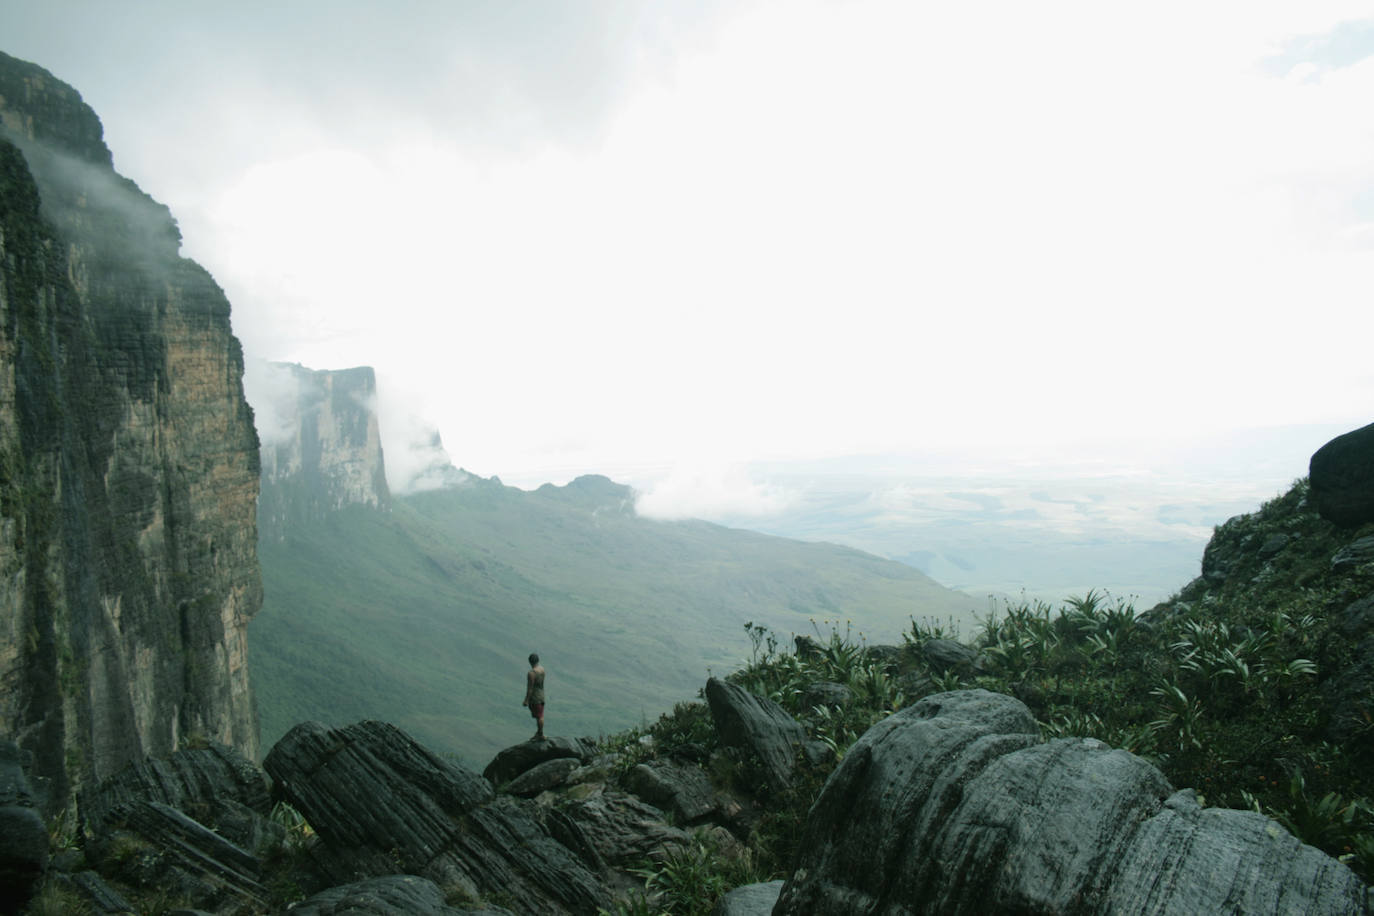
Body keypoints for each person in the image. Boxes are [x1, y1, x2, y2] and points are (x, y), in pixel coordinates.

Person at [522, 652, 546, 740]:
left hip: (535, 696)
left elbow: (530, 688)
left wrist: (526, 700)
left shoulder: (531, 673)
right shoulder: (542, 669)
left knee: (539, 716)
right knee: (540, 715)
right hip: (541, 694)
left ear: (530, 662)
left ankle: (540, 734)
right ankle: (539, 733)